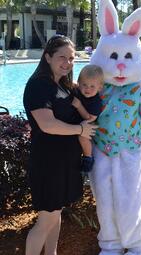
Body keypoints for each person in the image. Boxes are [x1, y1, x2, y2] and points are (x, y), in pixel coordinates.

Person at [23, 34, 98, 255]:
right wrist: (81, 130)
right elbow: (47, 124)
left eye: (72, 58)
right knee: (45, 221)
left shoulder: (65, 85)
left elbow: (91, 88)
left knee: (55, 216)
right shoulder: (39, 85)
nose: (68, 62)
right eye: (62, 57)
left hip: (66, 163)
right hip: (48, 164)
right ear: (48, 57)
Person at [72, 65, 104, 174]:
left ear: (99, 88)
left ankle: (88, 157)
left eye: (92, 86)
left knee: (82, 137)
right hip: (77, 123)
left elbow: (90, 118)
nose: (87, 89)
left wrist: (79, 105)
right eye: (84, 85)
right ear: (79, 83)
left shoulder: (96, 101)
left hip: (89, 125)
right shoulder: (78, 90)